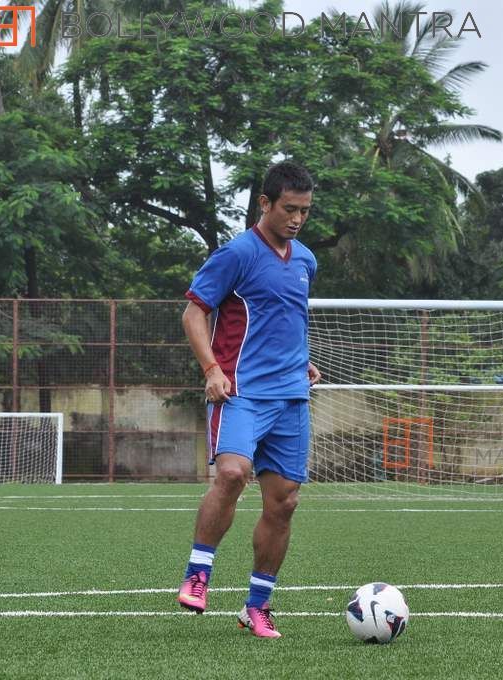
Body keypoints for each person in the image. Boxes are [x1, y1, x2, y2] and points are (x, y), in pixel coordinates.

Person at [176, 161, 321, 639]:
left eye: (304, 210)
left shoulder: (305, 260)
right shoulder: (236, 253)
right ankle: (199, 572)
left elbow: (287, 318)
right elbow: (194, 313)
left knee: (284, 504)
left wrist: (302, 360)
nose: (297, 219)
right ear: (265, 203)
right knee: (234, 473)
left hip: (291, 400)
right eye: (288, 209)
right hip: (240, 392)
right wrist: (211, 370)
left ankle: (257, 606)